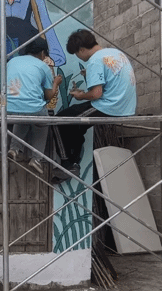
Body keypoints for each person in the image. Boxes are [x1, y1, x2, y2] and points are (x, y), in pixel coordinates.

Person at [51, 29, 136, 183]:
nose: (78, 57)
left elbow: (96, 94)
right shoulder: (115, 53)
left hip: (110, 106)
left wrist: (81, 95)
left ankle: (66, 164)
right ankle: (73, 163)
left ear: (81, 50)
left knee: (58, 121)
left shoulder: (95, 60)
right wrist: (89, 76)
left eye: (76, 54)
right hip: (125, 105)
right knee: (77, 125)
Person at [6, 38, 62, 175]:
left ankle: (14, 149)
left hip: (9, 109)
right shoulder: (43, 66)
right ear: (43, 53)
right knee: (42, 123)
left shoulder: (12, 62)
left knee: (23, 117)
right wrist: (56, 83)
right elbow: (49, 96)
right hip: (33, 110)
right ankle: (36, 159)